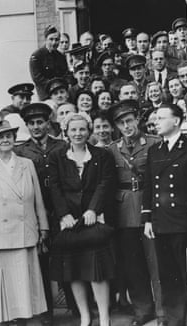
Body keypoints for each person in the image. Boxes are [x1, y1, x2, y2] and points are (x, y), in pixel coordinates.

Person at [0, 120, 49, 324]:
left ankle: (24, 317)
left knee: (22, 280)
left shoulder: (26, 164)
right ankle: (0, 319)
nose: (5, 140)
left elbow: (37, 198)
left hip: (24, 230)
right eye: (0, 137)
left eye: (9, 136)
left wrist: (43, 226)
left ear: (14, 139)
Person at [142, 103, 187, 326]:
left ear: (177, 121)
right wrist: (147, 219)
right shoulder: (154, 151)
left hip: (185, 223)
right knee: (168, 278)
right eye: (156, 118)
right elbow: (148, 188)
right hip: (161, 223)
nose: (156, 122)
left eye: (162, 118)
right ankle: (174, 321)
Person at [49, 113, 116, 326]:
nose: (78, 134)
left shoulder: (101, 155)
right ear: (66, 132)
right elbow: (54, 187)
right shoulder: (57, 156)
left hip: (92, 220)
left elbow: (105, 184)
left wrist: (93, 210)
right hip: (69, 222)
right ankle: (85, 316)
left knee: (97, 272)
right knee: (74, 272)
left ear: (89, 131)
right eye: (73, 130)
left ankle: (104, 317)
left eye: (82, 129)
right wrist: (64, 214)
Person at [107, 100, 163, 326]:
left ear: (137, 120)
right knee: (134, 264)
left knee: (156, 262)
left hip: (150, 207)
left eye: (129, 120)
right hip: (125, 211)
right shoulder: (112, 149)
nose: (127, 126)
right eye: (121, 123)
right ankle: (143, 309)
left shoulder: (153, 143)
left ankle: (162, 310)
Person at [14, 103, 68, 324]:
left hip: (62, 211)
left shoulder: (62, 146)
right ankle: (46, 311)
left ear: (48, 123)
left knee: (68, 258)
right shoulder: (21, 151)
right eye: (32, 123)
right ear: (27, 126)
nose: (36, 127)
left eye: (40, 122)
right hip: (36, 213)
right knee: (41, 262)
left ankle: (76, 306)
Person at [29, 25, 69, 100]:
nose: (54, 43)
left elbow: (65, 74)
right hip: (45, 95)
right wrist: (54, 85)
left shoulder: (61, 56)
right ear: (45, 39)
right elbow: (37, 78)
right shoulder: (37, 56)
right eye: (51, 39)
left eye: (56, 40)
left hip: (60, 93)